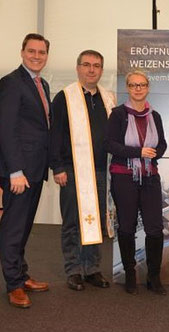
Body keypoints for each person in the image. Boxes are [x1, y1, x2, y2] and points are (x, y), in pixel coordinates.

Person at [50, 50, 115, 291]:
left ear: (101, 70)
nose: (91, 70)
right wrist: (57, 166)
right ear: (78, 68)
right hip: (72, 169)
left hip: (101, 171)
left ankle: (92, 269)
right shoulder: (64, 97)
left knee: (95, 221)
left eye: (96, 66)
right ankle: (74, 269)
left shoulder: (108, 98)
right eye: (86, 65)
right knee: (72, 222)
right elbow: (54, 134)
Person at [0, 33, 51, 308]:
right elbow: (6, 130)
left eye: (41, 52)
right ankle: (14, 285)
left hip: (35, 169)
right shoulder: (11, 83)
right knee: (13, 227)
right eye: (31, 51)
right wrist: (15, 170)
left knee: (25, 226)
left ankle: (21, 273)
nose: (36, 56)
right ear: (22, 52)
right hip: (19, 172)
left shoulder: (42, 84)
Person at [105, 71, 167, 295]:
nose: (138, 89)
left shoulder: (155, 116)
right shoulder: (118, 115)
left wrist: (153, 154)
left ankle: (153, 276)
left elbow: (162, 146)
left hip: (150, 177)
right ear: (128, 88)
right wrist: (139, 152)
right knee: (127, 226)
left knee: (155, 228)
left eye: (141, 85)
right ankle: (130, 273)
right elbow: (111, 145)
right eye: (133, 85)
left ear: (148, 87)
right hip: (124, 178)